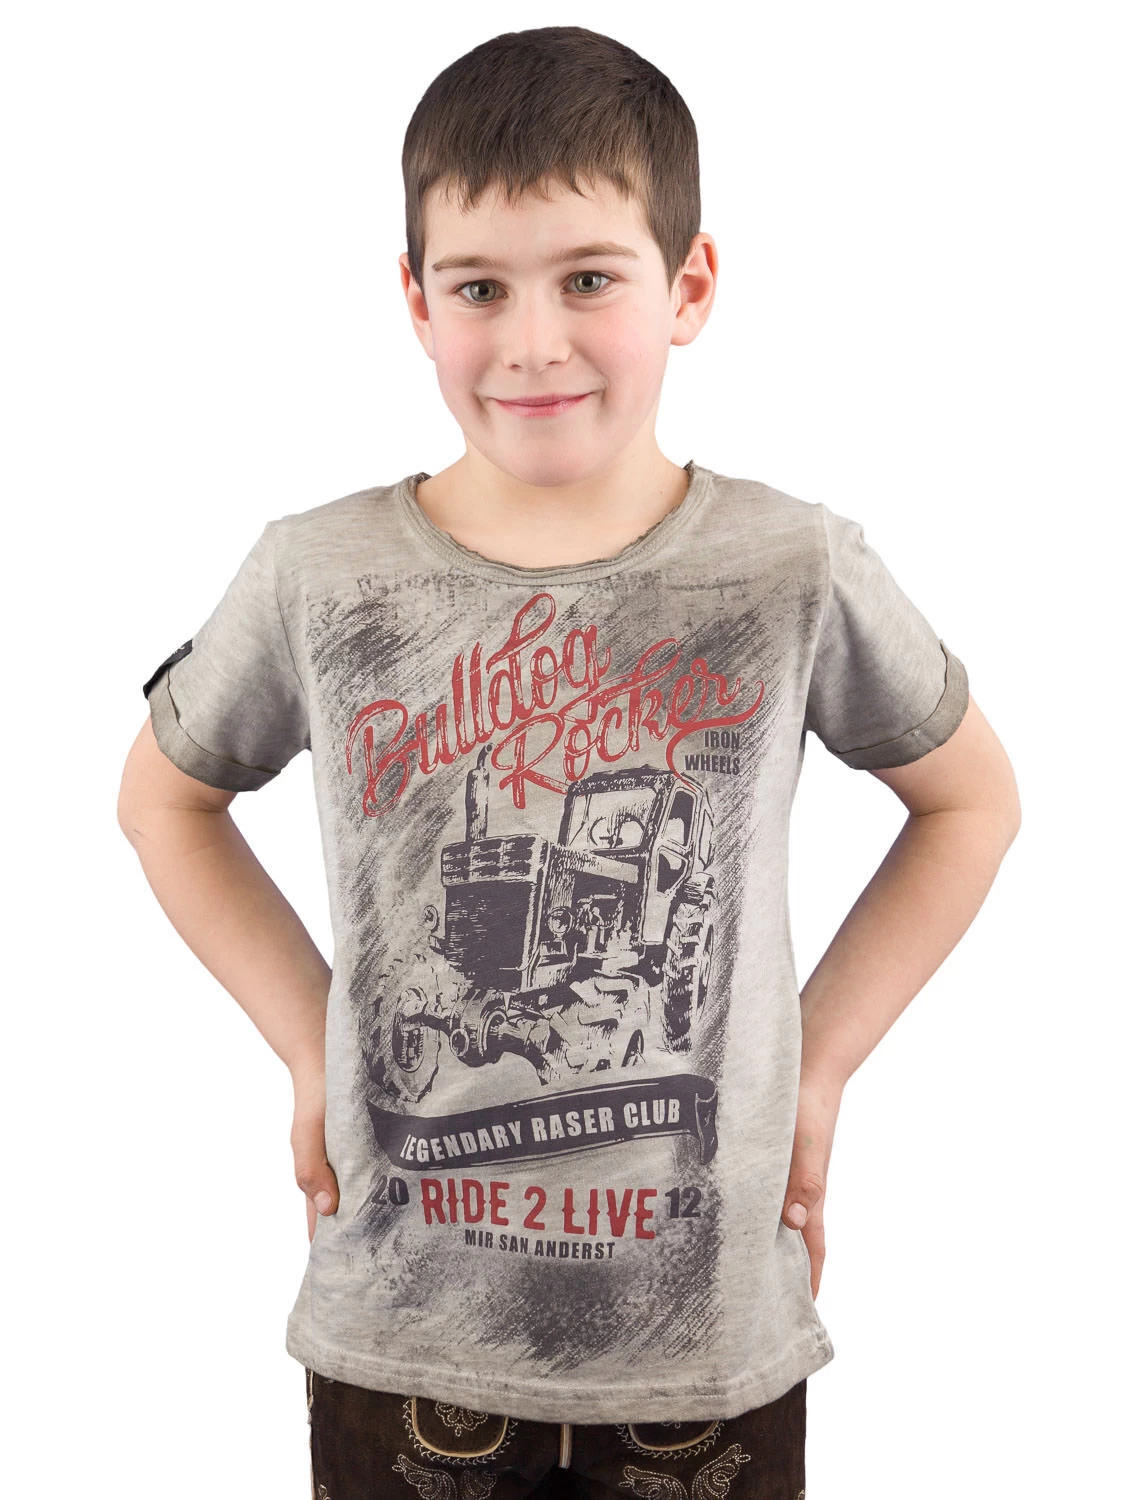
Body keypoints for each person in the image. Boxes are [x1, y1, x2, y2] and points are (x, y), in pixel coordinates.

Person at [117, 25, 1021, 1500]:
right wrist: (311, 1039)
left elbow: (972, 799)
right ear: (417, 301)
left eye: (589, 278)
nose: (533, 342)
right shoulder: (320, 575)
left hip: (703, 1342)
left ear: (691, 285)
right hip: (404, 1336)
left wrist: (819, 1066)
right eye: (481, 287)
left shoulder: (787, 568)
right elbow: (166, 797)